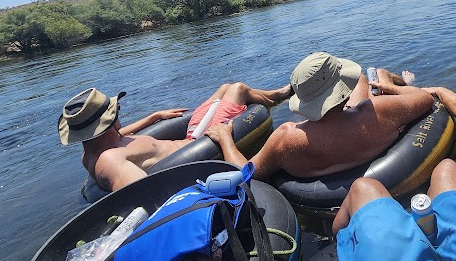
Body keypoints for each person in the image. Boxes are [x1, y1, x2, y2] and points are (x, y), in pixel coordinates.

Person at [206, 51, 433, 180]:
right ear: (342, 92)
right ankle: (390, 80)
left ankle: (381, 80)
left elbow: (247, 175)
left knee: (363, 81)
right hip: (364, 131)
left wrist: (226, 139)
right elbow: (425, 99)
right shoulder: (378, 111)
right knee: (367, 78)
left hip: (324, 139)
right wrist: (391, 90)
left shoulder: (285, 140)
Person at [58, 81, 293, 192]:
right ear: (107, 122)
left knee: (223, 88)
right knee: (238, 89)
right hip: (203, 141)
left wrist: (153, 117)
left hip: (195, 133)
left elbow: (120, 135)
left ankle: (272, 95)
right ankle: (277, 97)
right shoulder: (111, 161)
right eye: (115, 111)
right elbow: (146, 196)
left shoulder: (96, 149)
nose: (120, 114)